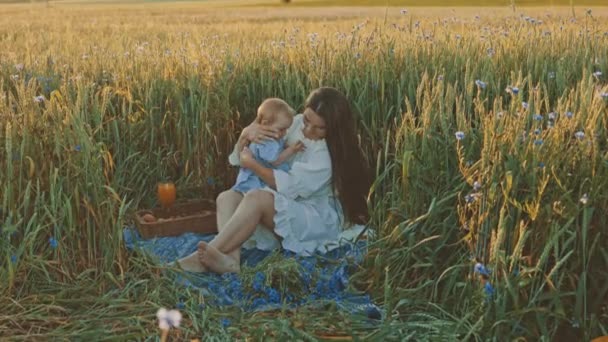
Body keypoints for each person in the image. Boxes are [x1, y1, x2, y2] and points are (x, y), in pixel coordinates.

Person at [177, 87, 371, 274]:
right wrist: (246, 134)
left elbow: (285, 186)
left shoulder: (325, 156)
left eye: (320, 128)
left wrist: (252, 165)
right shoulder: (292, 123)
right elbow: (247, 152)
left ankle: (200, 259)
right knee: (226, 197)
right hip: (282, 201)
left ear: (334, 129)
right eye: (307, 120)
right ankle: (231, 260)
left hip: (311, 215)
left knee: (257, 198)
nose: (309, 130)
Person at [232, 98, 305, 194]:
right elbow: (275, 161)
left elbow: (280, 145)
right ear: (265, 124)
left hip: (260, 177)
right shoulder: (266, 141)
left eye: (286, 129)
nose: (284, 133)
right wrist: (292, 150)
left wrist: (285, 145)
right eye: (282, 129)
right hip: (256, 180)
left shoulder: (274, 136)